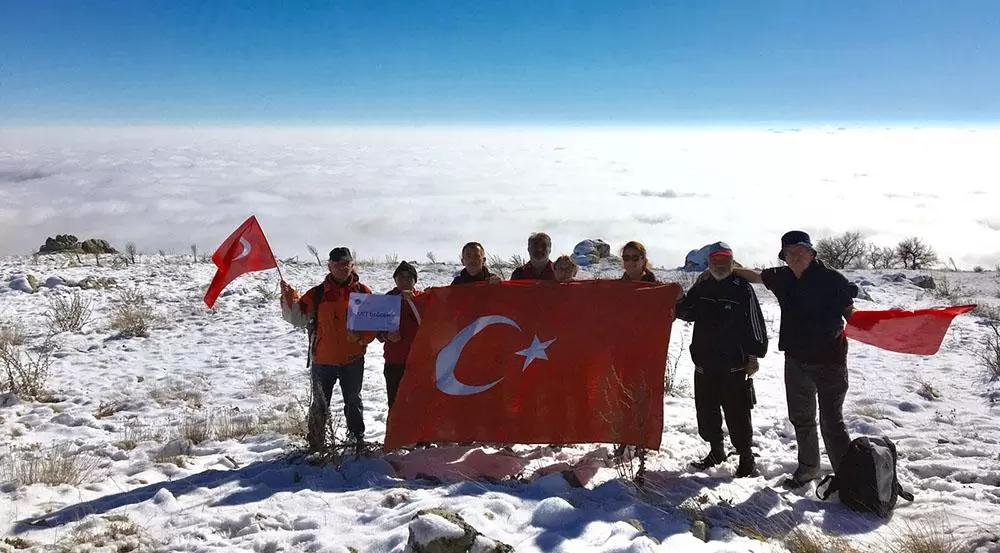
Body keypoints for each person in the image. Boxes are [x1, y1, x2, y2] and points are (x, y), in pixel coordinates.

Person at [729, 230, 858, 487]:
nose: (796, 257)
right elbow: (757, 275)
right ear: (784, 257)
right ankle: (809, 468)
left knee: (832, 422)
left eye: (801, 251)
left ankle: (848, 477)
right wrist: (732, 269)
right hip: (796, 361)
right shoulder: (782, 277)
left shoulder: (832, 279)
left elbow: (849, 310)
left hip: (830, 361)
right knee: (801, 418)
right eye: (790, 253)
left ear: (812, 253)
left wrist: (872, 326)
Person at [675, 241, 768, 478]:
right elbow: (687, 312)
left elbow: (754, 323)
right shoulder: (703, 284)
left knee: (737, 414)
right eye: (715, 260)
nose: (719, 264)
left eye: (724, 260)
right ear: (708, 263)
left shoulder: (741, 287)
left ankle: (746, 457)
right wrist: (676, 299)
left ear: (732, 262)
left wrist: (754, 355)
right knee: (706, 413)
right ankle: (716, 450)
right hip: (704, 363)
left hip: (734, 365)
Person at [280, 247, 376, 454]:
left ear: (352, 265)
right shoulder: (318, 294)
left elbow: (374, 326)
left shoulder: (363, 292)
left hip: (353, 358)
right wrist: (288, 299)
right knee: (320, 404)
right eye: (337, 265)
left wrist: (361, 338)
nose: (342, 268)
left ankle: (356, 438)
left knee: (353, 400)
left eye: (346, 264)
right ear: (329, 266)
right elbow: (298, 319)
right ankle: (316, 443)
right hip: (323, 360)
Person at [376, 261, 421, 409]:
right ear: (395, 280)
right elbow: (377, 330)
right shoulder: (388, 299)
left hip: (419, 361)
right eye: (401, 277)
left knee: (418, 404)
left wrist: (413, 301)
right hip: (394, 361)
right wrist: (387, 336)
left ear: (415, 280)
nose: (405, 281)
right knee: (395, 404)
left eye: (409, 277)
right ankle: (395, 432)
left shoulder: (422, 299)